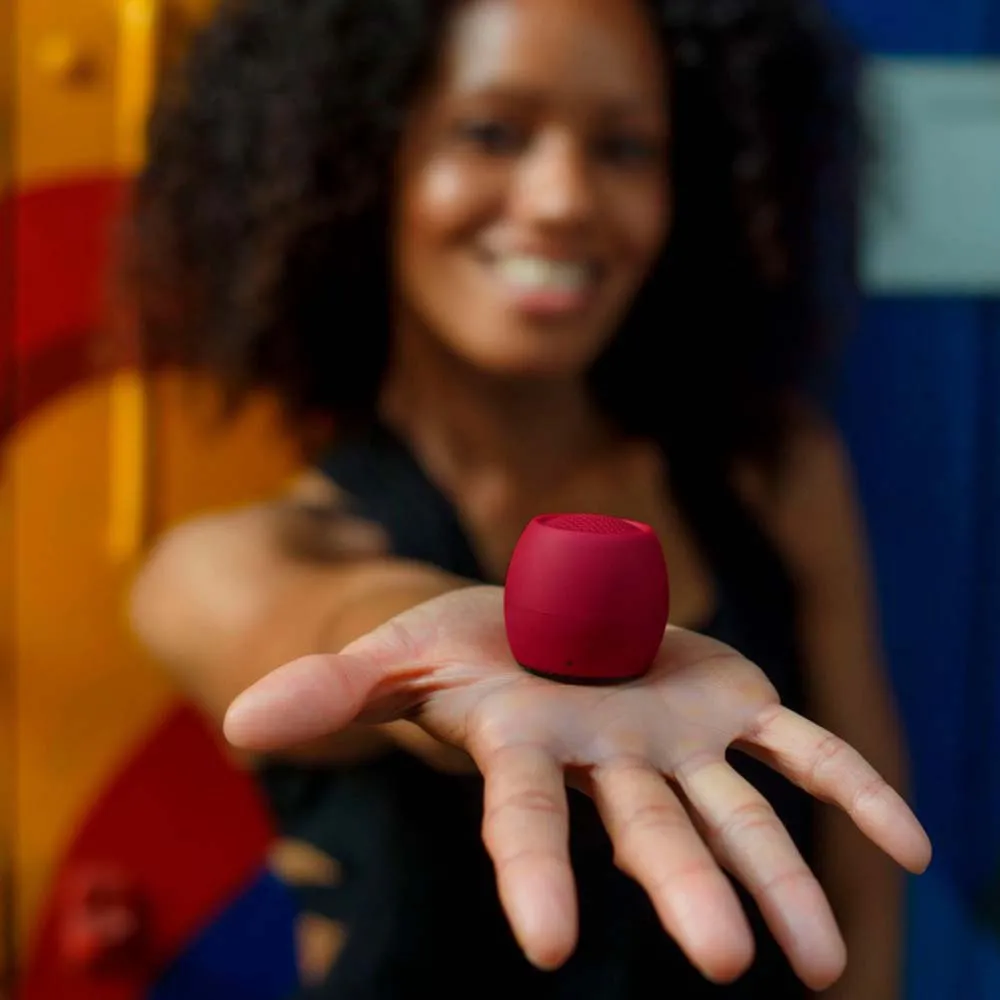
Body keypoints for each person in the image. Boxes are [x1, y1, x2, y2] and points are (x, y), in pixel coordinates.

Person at [124, 0, 931, 996]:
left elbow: (861, 886)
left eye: (624, 147)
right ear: (363, 159)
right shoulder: (235, 559)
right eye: (490, 132)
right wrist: (453, 656)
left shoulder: (776, 476)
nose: (561, 199)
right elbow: (323, 621)